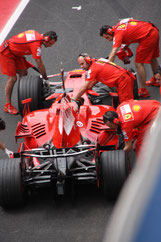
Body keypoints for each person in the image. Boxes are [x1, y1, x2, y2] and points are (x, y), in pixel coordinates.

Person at [0, 30, 58, 115]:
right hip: (6, 53)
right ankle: (7, 105)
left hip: (16, 53)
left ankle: (23, 95)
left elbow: (21, 42)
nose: (50, 46)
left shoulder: (36, 35)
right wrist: (45, 78)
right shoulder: (36, 45)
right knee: (12, 79)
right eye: (50, 43)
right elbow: (39, 64)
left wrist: (22, 55)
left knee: (23, 73)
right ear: (46, 39)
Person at [100, 18, 160, 98]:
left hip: (147, 37)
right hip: (153, 31)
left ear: (110, 32)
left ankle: (143, 91)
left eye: (107, 37)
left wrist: (107, 67)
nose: (108, 40)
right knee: (152, 57)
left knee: (139, 64)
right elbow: (131, 33)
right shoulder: (119, 25)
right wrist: (124, 48)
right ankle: (157, 79)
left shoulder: (117, 35)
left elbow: (113, 54)